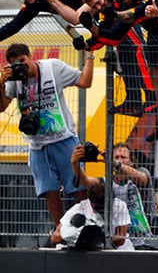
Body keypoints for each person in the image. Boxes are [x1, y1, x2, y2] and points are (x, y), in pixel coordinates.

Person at [0, 43, 95, 227]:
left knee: (78, 188)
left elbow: (85, 82)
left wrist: (90, 55)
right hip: (37, 144)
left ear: (30, 56)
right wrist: (1, 84)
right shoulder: (14, 79)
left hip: (64, 138)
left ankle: (86, 227)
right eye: (15, 63)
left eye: (22, 60)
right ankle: (60, 231)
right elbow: (1, 107)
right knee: (49, 192)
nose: (20, 66)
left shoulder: (53, 67)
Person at [51, 179, 131, 250]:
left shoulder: (120, 205)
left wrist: (98, 238)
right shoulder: (79, 208)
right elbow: (54, 238)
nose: (102, 211)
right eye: (99, 207)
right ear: (91, 202)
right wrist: (77, 235)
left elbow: (121, 239)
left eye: (105, 207)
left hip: (115, 251)